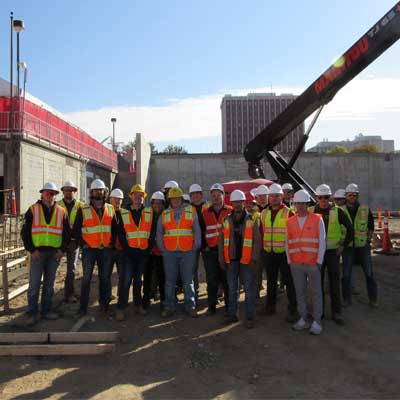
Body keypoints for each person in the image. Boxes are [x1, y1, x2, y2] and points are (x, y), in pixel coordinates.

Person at [21, 182, 70, 326]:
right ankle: (32, 312)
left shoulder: (61, 211)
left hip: (54, 254)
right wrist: (32, 250)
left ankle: (46, 310)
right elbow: (25, 233)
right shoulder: (33, 209)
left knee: (49, 284)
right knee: (34, 284)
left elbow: (67, 233)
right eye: (47, 193)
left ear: (56, 196)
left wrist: (62, 250)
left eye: (53, 194)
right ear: (42, 194)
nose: (50, 196)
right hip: (38, 254)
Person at [310, 184, 354, 325]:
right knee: (318, 284)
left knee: (334, 284)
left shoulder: (338, 211)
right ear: (316, 197)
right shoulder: (311, 212)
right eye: (320, 197)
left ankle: (337, 313)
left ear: (330, 198)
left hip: (332, 253)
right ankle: (319, 312)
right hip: (317, 254)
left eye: (326, 197)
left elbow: (350, 230)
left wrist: (342, 245)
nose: (323, 200)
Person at [219, 189, 261, 329]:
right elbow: (221, 241)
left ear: (244, 203)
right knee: (232, 289)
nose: (237, 204)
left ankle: (250, 317)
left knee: (249, 290)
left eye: (239, 202)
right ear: (231, 203)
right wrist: (221, 258)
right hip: (231, 260)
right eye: (234, 202)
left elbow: (257, 240)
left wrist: (254, 257)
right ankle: (232, 315)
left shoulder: (252, 219)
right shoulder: (226, 220)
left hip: (247, 260)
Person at [157, 187, 202, 317]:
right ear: (169, 200)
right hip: (169, 252)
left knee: (188, 281)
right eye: (173, 199)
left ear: (181, 199)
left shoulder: (190, 210)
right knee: (170, 281)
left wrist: (195, 246)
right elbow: (160, 232)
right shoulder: (165, 214)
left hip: (188, 251)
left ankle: (190, 305)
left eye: (177, 198)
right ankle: (169, 306)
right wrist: (163, 248)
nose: (175, 201)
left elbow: (196, 230)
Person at [286, 189, 326, 335]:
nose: (301, 206)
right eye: (298, 203)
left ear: (308, 204)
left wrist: (319, 261)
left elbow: (322, 241)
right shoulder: (290, 222)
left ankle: (317, 321)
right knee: (300, 292)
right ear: (294, 204)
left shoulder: (317, 219)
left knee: (316, 292)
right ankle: (303, 318)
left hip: (312, 263)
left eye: (303, 203)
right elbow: (287, 242)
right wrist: (290, 260)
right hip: (296, 263)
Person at [73, 179, 115, 317]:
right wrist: (83, 244)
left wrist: (112, 242)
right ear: (91, 192)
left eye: (100, 190)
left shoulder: (110, 208)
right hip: (89, 250)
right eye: (96, 190)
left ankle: (105, 306)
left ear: (104, 192)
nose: (98, 192)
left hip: (106, 250)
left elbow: (115, 228)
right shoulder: (83, 209)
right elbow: (76, 229)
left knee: (105, 279)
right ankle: (82, 309)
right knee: (86, 280)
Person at [114, 184, 153, 320]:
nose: (138, 197)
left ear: (143, 198)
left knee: (138, 281)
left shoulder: (148, 212)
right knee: (125, 281)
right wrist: (127, 249)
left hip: (142, 253)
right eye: (135, 195)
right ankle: (121, 307)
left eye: (140, 195)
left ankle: (138, 305)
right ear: (131, 196)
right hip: (128, 254)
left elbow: (151, 233)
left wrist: (147, 250)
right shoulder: (123, 212)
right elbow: (121, 233)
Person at [260, 183, 297, 322]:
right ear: (269, 198)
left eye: (277, 196)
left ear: (282, 197)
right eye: (272, 196)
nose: (274, 198)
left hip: (284, 254)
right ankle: (270, 307)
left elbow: (294, 234)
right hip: (269, 253)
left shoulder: (289, 213)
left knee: (289, 282)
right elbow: (262, 232)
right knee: (271, 281)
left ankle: (293, 310)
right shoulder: (263, 213)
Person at [342, 183, 377, 307]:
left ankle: (373, 299)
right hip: (348, 247)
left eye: (355, 195)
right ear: (346, 196)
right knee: (346, 275)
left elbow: (371, 227)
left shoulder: (365, 209)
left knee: (369, 274)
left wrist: (367, 242)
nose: (352, 197)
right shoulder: (341, 210)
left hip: (363, 247)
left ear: (357, 196)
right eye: (350, 195)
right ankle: (346, 300)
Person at [202, 183, 232, 315]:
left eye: (218, 195)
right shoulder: (205, 213)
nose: (215, 198)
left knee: (227, 280)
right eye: (213, 196)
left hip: (226, 251)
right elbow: (201, 231)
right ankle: (212, 306)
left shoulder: (230, 211)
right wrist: (205, 247)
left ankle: (229, 307)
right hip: (211, 251)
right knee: (211, 280)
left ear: (223, 196)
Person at [58, 181, 83, 303]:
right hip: (60, 242)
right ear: (63, 192)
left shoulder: (80, 206)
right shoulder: (57, 205)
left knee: (71, 269)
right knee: (53, 268)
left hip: (74, 242)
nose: (68, 192)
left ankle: (69, 293)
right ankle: (50, 294)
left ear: (75, 191)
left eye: (70, 190)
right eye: (66, 190)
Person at [142, 191, 166, 312]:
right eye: (155, 203)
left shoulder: (167, 215)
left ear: (163, 204)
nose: (157, 205)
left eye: (159, 203)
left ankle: (163, 300)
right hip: (149, 251)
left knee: (162, 277)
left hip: (162, 251)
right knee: (147, 276)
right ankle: (145, 299)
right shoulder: (147, 214)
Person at [189, 183, 208, 299]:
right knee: (193, 268)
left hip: (207, 242)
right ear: (191, 196)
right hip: (193, 242)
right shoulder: (187, 209)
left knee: (210, 268)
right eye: (193, 194)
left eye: (198, 194)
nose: (196, 196)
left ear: (201, 195)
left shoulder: (208, 207)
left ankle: (212, 290)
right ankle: (194, 291)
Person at [108, 188, 125, 299]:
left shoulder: (125, 213)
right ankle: (107, 295)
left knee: (122, 275)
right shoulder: (106, 212)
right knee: (106, 275)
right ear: (110, 199)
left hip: (122, 249)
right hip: (109, 248)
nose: (117, 201)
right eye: (115, 199)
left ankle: (121, 295)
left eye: (119, 199)